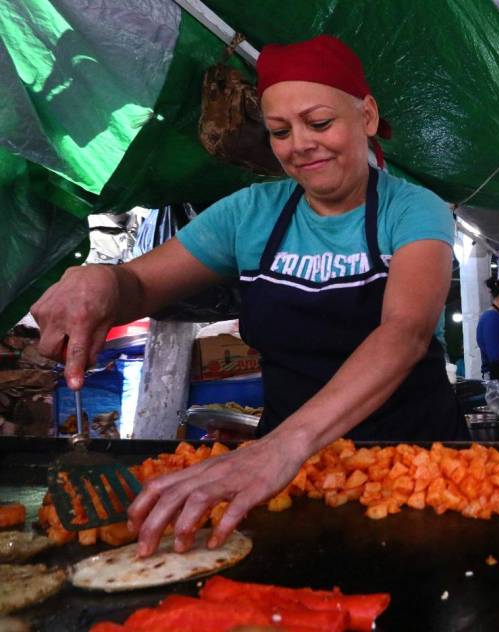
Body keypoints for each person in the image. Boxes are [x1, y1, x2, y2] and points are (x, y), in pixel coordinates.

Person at [30, 35, 466, 556]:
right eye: (280, 131)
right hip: (286, 475)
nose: (299, 144)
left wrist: (286, 445)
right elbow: (139, 284)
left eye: (319, 123)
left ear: (367, 116)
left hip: (416, 464)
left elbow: (406, 331)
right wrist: (101, 280)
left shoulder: (414, 209)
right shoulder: (249, 213)